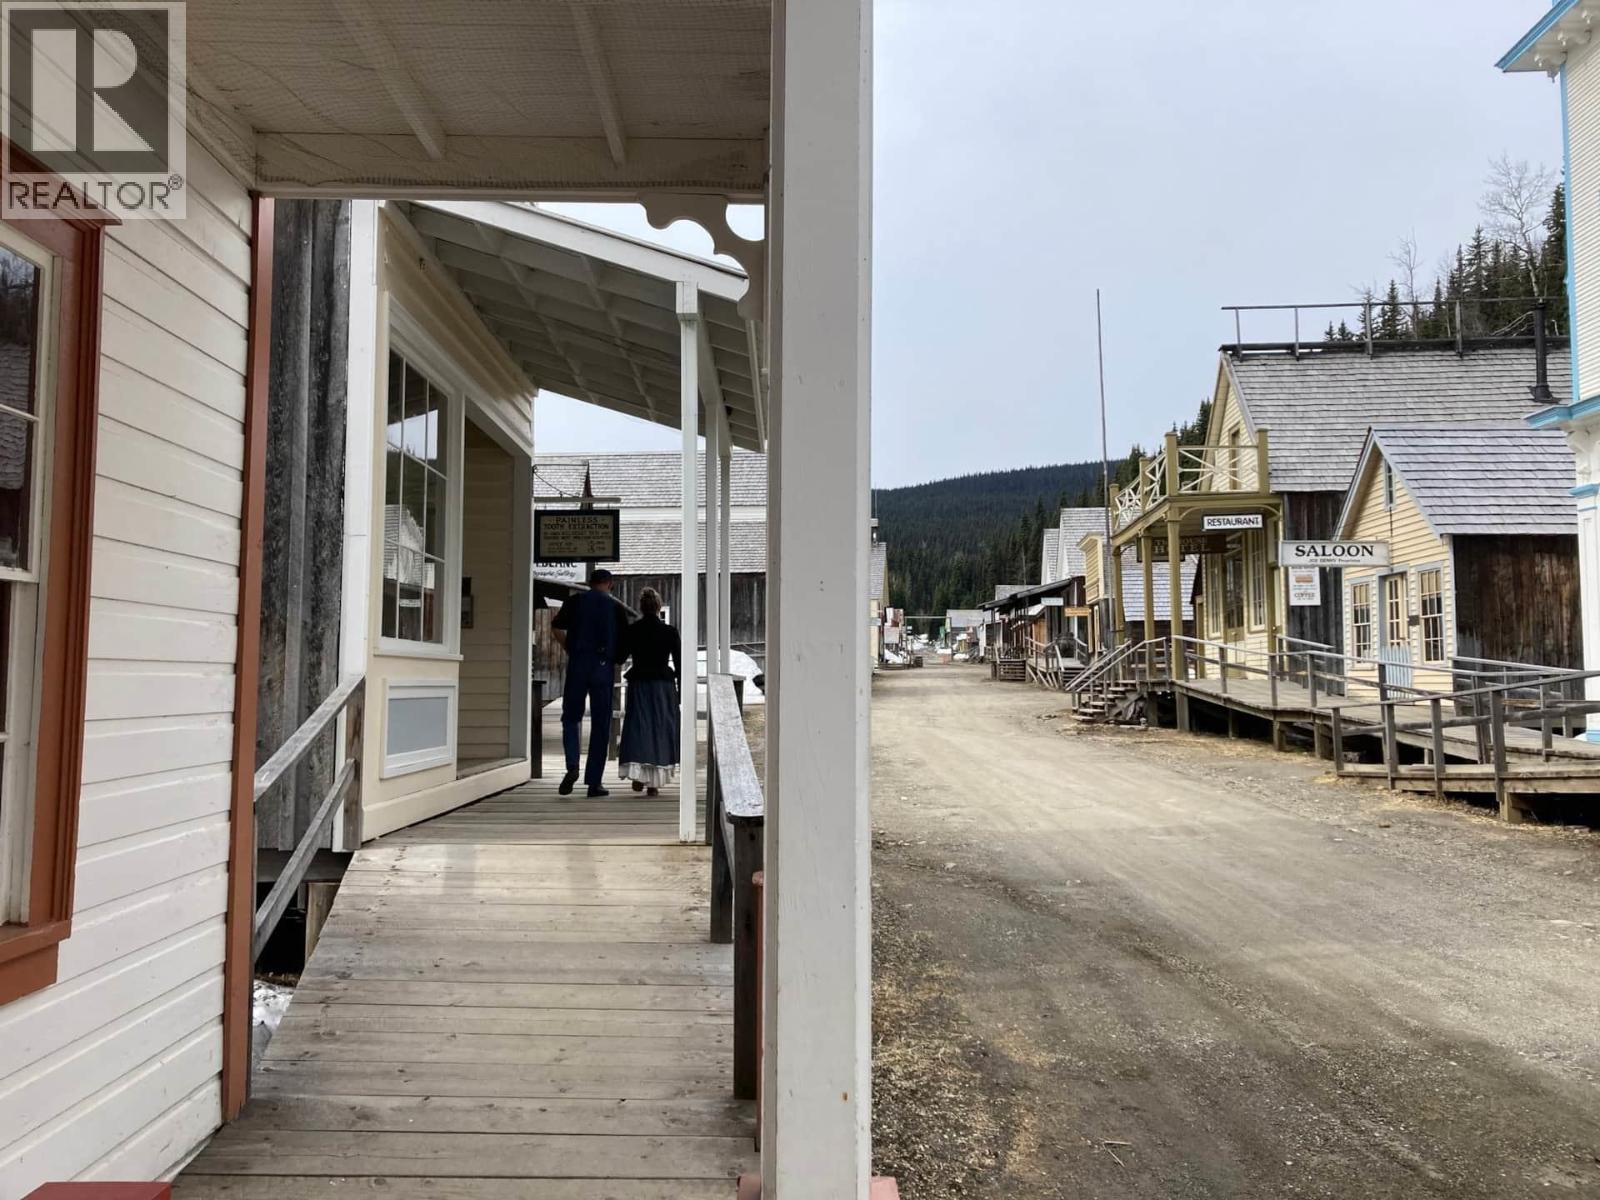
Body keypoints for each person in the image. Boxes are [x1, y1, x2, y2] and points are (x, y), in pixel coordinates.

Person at [551, 569, 629, 797]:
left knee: (571, 717)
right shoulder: (615, 607)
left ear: (589, 583)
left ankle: (572, 765)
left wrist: (569, 649)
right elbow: (625, 643)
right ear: (610, 584)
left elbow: (556, 627)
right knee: (600, 723)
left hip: (578, 664)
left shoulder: (575, 601)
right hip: (602, 667)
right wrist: (616, 660)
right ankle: (594, 782)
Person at [617, 588, 681, 797]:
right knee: (661, 729)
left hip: (640, 683)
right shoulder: (670, 632)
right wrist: (680, 689)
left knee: (639, 726)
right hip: (663, 685)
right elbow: (679, 663)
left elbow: (619, 657)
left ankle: (638, 775)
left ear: (641, 607)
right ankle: (654, 783)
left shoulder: (633, 630)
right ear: (659, 607)